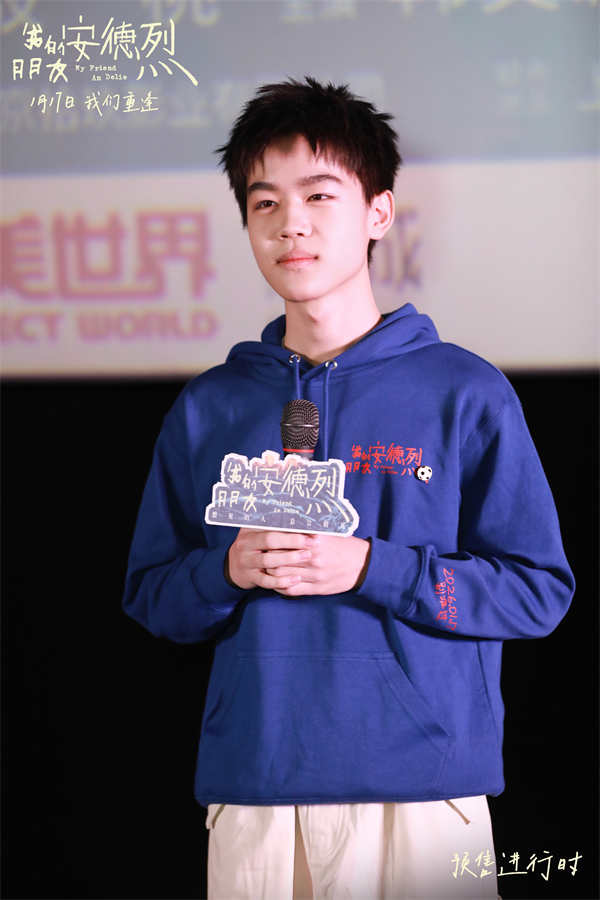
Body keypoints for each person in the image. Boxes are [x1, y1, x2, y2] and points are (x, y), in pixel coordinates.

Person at [122, 77, 575, 899]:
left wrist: (372, 566)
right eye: (264, 203)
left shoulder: (464, 392)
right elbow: (153, 594)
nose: (289, 223)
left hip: (427, 794)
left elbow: (538, 592)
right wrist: (228, 570)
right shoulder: (212, 406)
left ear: (378, 212)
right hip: (255, 791)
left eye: (318, 195)